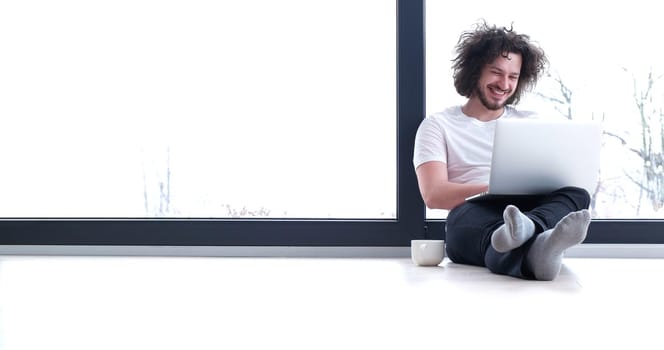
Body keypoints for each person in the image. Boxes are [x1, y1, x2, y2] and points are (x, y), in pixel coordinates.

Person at [413, 21, 591, 281]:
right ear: (475, 71)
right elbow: (434, 194)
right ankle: (539, 247)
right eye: (496, 72)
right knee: (469, 224)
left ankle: (533, 233)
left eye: (513, 76)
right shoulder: (437, 125)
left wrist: (527, 204)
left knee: (577, 194)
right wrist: (492, 188)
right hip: (473, 211)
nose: (504, 84)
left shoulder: (531, 122)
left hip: (528, 210)